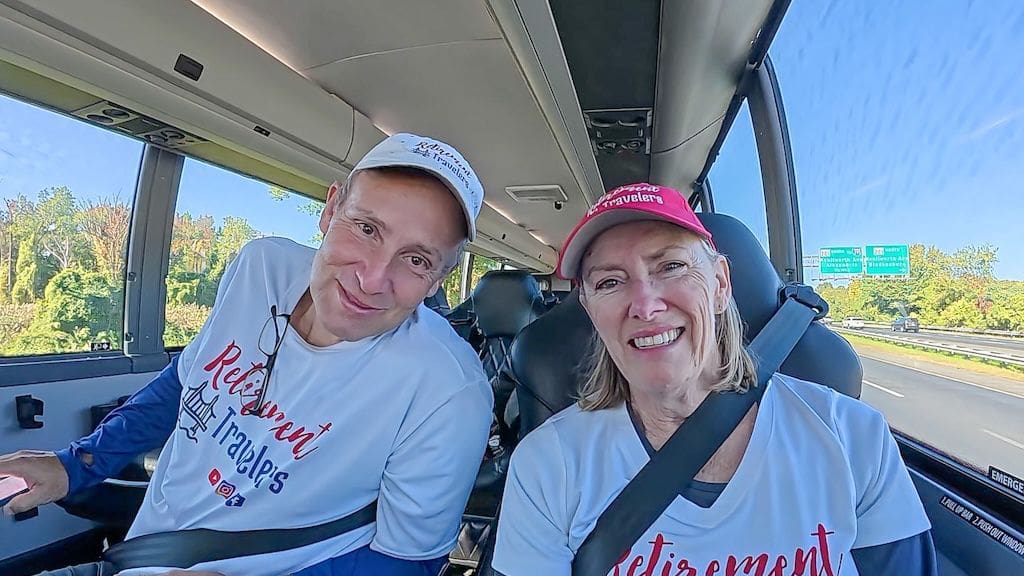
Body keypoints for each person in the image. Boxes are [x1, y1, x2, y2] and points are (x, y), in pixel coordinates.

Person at [0, 133, 494, 576]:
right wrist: (77, 464)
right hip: (142, 552)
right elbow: (184, 383)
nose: (371, 278)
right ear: (331, 208)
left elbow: (409, 560)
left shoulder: (448, 390)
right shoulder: (261, 267)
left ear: (440, 279)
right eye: (366, 228)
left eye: (416, 259)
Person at [491, 183, 937, 575]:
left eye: (670, 267)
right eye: (610, 282)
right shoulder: (549, 464)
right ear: (589, 310)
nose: (645, 305)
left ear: (721, 284)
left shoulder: (853, 437)